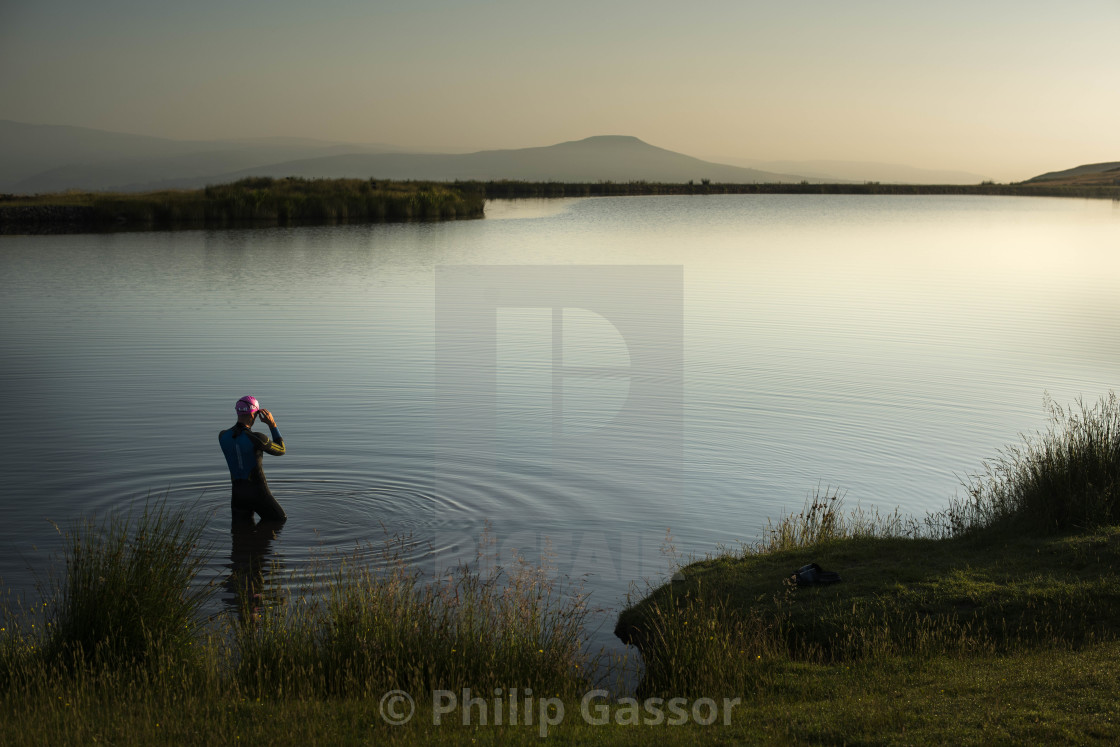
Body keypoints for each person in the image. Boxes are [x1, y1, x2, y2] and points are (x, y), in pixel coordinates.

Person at [219, 395, 287, 522]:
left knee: (239, 535)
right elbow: (281, 450)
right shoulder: (257, 438)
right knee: (280, 521)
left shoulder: (222, 436)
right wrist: (272, 425)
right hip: (258, 493)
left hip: (238, 496)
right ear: (253, 414)